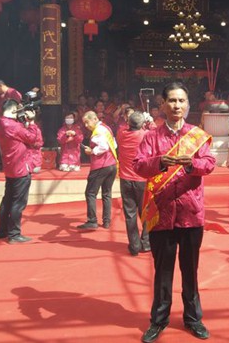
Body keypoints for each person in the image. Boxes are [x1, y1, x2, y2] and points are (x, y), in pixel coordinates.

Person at [133, 82, 215, 343]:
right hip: (162, 215)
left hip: (191, 213)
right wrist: (160, 162)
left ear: (187, 105)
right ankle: (159, 320)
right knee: (163, 271)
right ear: (163, 105)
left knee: (190, 270)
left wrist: (191, 164)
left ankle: (193, 318)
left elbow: (209, 163)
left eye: (181, 101)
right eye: (172, 101)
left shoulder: (197, 135)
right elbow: (138, 165)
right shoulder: (152, 137)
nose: (177, 106)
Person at [0, 99, 43, 244]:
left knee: (7, 200)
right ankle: (14, 234)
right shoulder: (13, 126)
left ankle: (2, 230)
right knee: (18, 202)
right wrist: (32, 123)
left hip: (10, 167)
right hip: (20, 167)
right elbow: (32, 138)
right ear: (13, 110)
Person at [116, 111, 151, 256]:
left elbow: (124, 126)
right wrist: (149, 122)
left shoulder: (121, 134)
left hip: (125, 178)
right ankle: (146, 242)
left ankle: (134, 245)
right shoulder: (146, 135)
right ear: (142, 124)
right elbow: (154, 133)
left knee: (130, 213)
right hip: (142, 179)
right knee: (146, 212)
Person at [77, 111, 118, 230]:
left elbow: (104, 147)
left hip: (101, 166)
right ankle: (106, 221)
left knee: (90, 192)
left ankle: (92, 220)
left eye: (87, 122)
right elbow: (114, 145)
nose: (86, 125)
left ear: (94, 119)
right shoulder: (106, 128)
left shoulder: (97, 131)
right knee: (106, 193)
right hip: (112, 164)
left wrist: (92, 151)